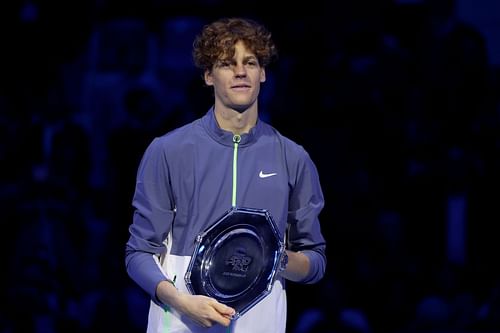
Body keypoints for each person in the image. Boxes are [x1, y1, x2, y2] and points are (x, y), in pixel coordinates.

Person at [125, 17, 327, 333]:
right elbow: (139, 254)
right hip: (181, 318)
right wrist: (180, 301)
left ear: (263, 73)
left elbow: (314, 261)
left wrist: (273, 258)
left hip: (260, 320)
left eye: (250, 62)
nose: (240, 72)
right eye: (226, 63)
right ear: (208, 76)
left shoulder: (293, 158)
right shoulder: (168, 150)